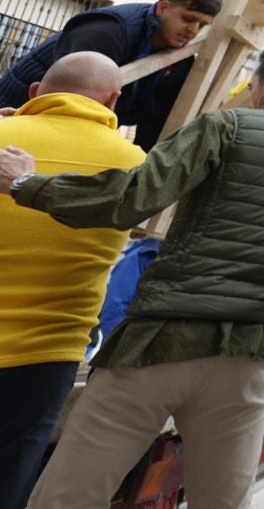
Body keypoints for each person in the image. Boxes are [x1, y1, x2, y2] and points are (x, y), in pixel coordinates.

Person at [1, 42, 264, 508]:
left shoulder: (226, 126)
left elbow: (134, 198)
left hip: (163, 336)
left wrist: (26, 185)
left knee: (73, 491)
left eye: (253, 84)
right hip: (252, 351)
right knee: (223, 497)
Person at [0, 53, 145, 509]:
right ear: (114, 99)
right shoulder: (135, 164)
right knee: (15, 466)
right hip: (50, 353)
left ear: (35, 92)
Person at [0, 0, 220, 148]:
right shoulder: (108, 30)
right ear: (163, 8)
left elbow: (156, 125)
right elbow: (71, 102)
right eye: (188, 19)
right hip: (15, 111)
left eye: (201, 25)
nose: (193, 31)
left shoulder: (179, 59)